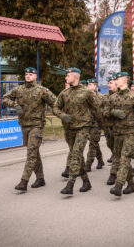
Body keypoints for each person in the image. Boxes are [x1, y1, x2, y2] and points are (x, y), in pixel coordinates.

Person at [2, 67, 56, 191]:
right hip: (24, 125)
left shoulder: (42, 90)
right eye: (26, 74)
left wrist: (61, 114)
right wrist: (14, 104)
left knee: (31, 153)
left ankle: (24, 181)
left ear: (35, 76)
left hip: (37, 126)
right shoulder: (18, 90)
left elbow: (55, 102)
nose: (28, 76)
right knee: (34, 152)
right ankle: (40, 178)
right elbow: (5, 99)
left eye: (30, 74)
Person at [53, 67, 99, 195]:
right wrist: (61, 115)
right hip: (69, 129)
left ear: (75, 76)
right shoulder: (64, 93)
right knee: (77, 155)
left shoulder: (87, 92)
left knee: (75, 154)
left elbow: (97, 109)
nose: (66, 78)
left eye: (68, 76)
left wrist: (104, 124)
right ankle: (86, 182)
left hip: (83, 128)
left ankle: (70, 184)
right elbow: (55, 107)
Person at [85, 78, 105, 171]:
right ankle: (100, 160)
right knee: (94, 143)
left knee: (92, 144)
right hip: (86, 123)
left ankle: (88, 164)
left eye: (90, 85)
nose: (88, 86)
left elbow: (103, 110)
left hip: (96, 124)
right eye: (87, 85)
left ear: (95, 86)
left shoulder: (101, 97)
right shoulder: (84, 96)